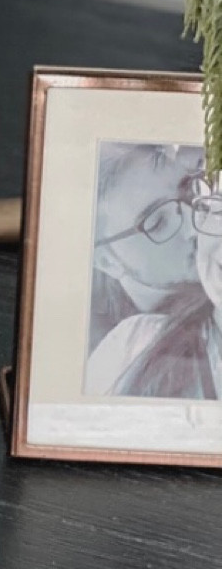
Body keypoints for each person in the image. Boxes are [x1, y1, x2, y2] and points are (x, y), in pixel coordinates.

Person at [85, 178, 222, 400]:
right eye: (158, 222)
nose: (193, 230)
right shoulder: (133, 347)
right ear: (107, 262)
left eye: (190, 193)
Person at [84, 142, 205, 352]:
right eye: (158, 223)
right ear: (107, 261)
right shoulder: (116, 358)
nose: (196, 225)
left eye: (187, 188)